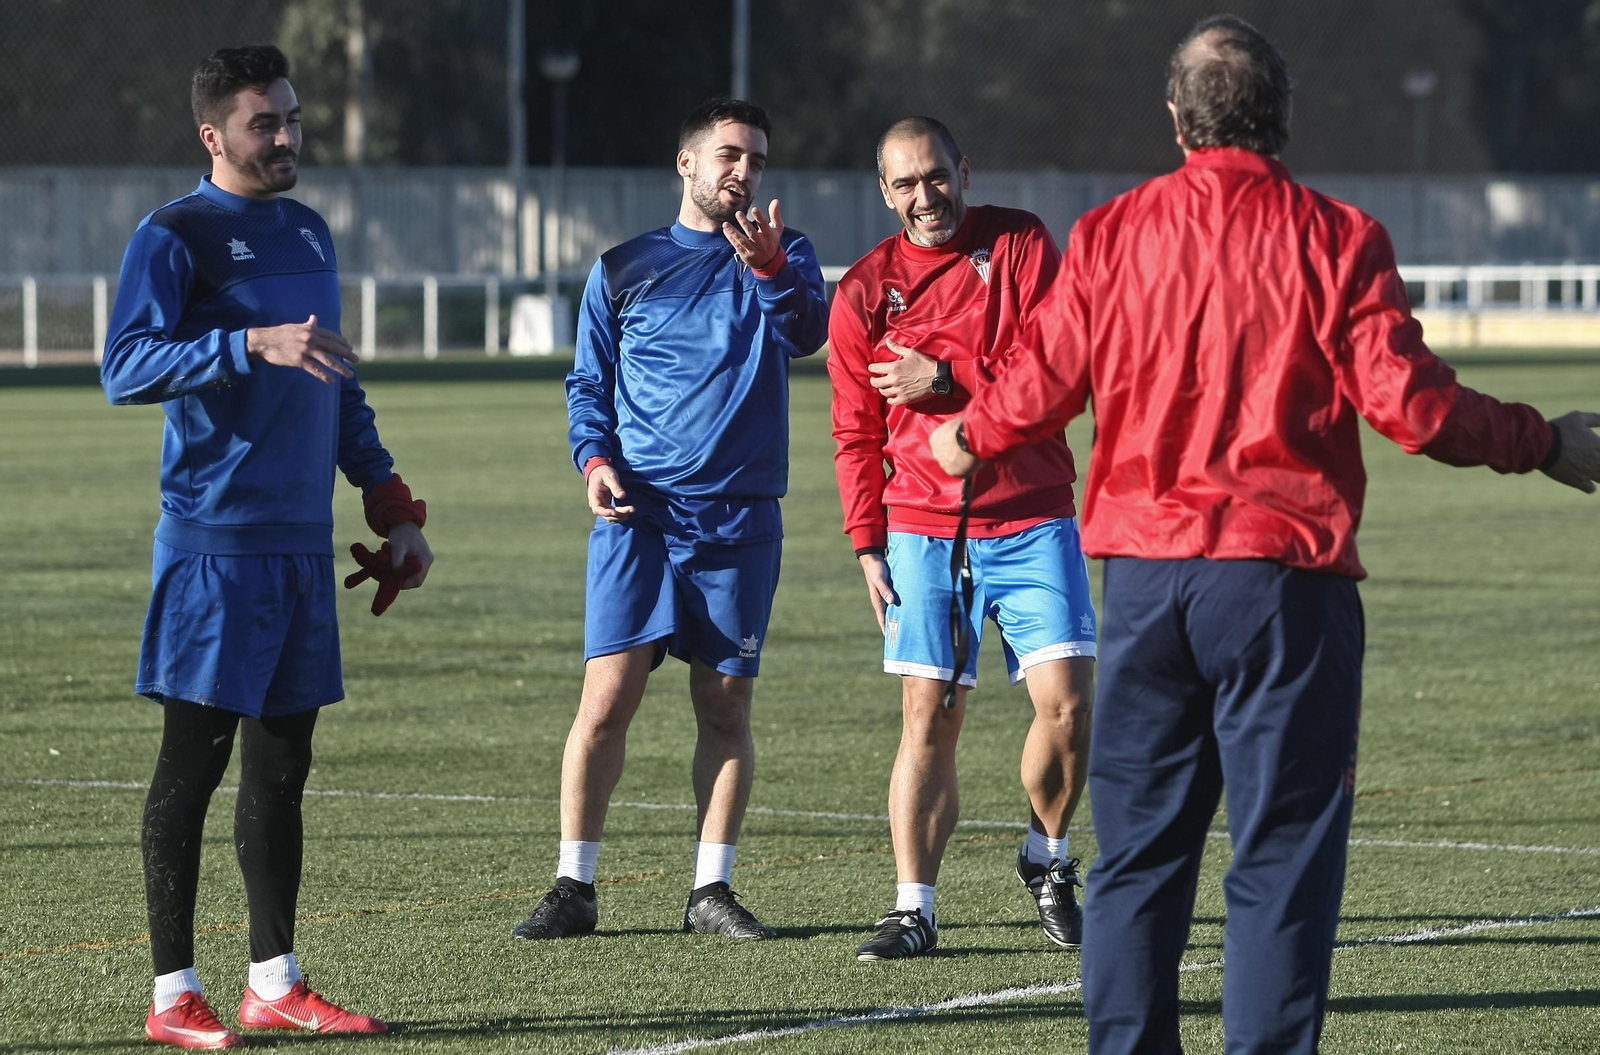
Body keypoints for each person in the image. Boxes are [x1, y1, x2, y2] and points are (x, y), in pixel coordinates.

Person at [931, 14, 1600, 1054]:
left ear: (1174, 119)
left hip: (1149, 582)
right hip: (1283, 585)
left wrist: (966, 433)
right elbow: (1412, 407)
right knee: (1280, 858)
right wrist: (1542, 440)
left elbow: (1042, 376)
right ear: (1283, 115)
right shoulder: (1336, 236)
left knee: (1140, 858)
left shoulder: (1112, 233)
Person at [101, 45, 433, 1050]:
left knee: (282, 768)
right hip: (214, 547)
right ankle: (171, 995)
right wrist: (245, 342)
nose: (286, 137)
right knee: (189, 770)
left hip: (298, 550)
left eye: (291, 118)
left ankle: (274, 979)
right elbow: (123, 366)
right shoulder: (175, 237)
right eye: (264, 122)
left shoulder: (307, 229)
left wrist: (389, 500)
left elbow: (339, 380)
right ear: (213, 135)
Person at [511, 97, 828, 944]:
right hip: (639, 518)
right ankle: (574, 885)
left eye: (757, 160)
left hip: (739, 522)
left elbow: (807, 333)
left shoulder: (787, 253)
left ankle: (710, 892)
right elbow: (590, 384)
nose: (744, 172)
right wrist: (595, 459)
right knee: (605, 701)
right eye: (729, 155)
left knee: (725, 708)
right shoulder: (624, 266)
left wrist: (767, 270)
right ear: (686, 163)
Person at [828, 118, 1095, 961]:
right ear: (884, 192)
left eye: (936, 177)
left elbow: (1053, 371)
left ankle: (1048, 861)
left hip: (1031, 511)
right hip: (922, 530)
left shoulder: (1019, 244)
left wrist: (942, 379)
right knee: (929, 717)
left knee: (1069, 702)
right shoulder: (865, 292)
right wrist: (866, 542)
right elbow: (853, 431)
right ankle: (914, 908)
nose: (925, 197)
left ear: (963, 171)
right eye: (905, 184)